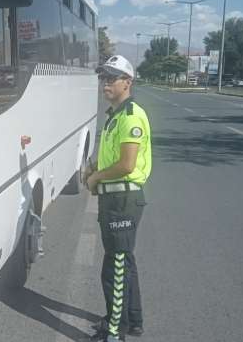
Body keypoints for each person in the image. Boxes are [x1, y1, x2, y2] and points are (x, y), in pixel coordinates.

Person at [83, 55, 152, 342]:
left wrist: (96, 178)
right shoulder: (116, 115)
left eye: (112, 78)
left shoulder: (131, 116)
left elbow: (126, 164)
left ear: (128, 82)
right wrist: (94, 166)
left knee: (115, 270)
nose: (105, 83)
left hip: (123, 200)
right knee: (125, 263)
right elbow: (113, 157)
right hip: (115, 200)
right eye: (103, 78)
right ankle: (132, 321)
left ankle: (115, 333)